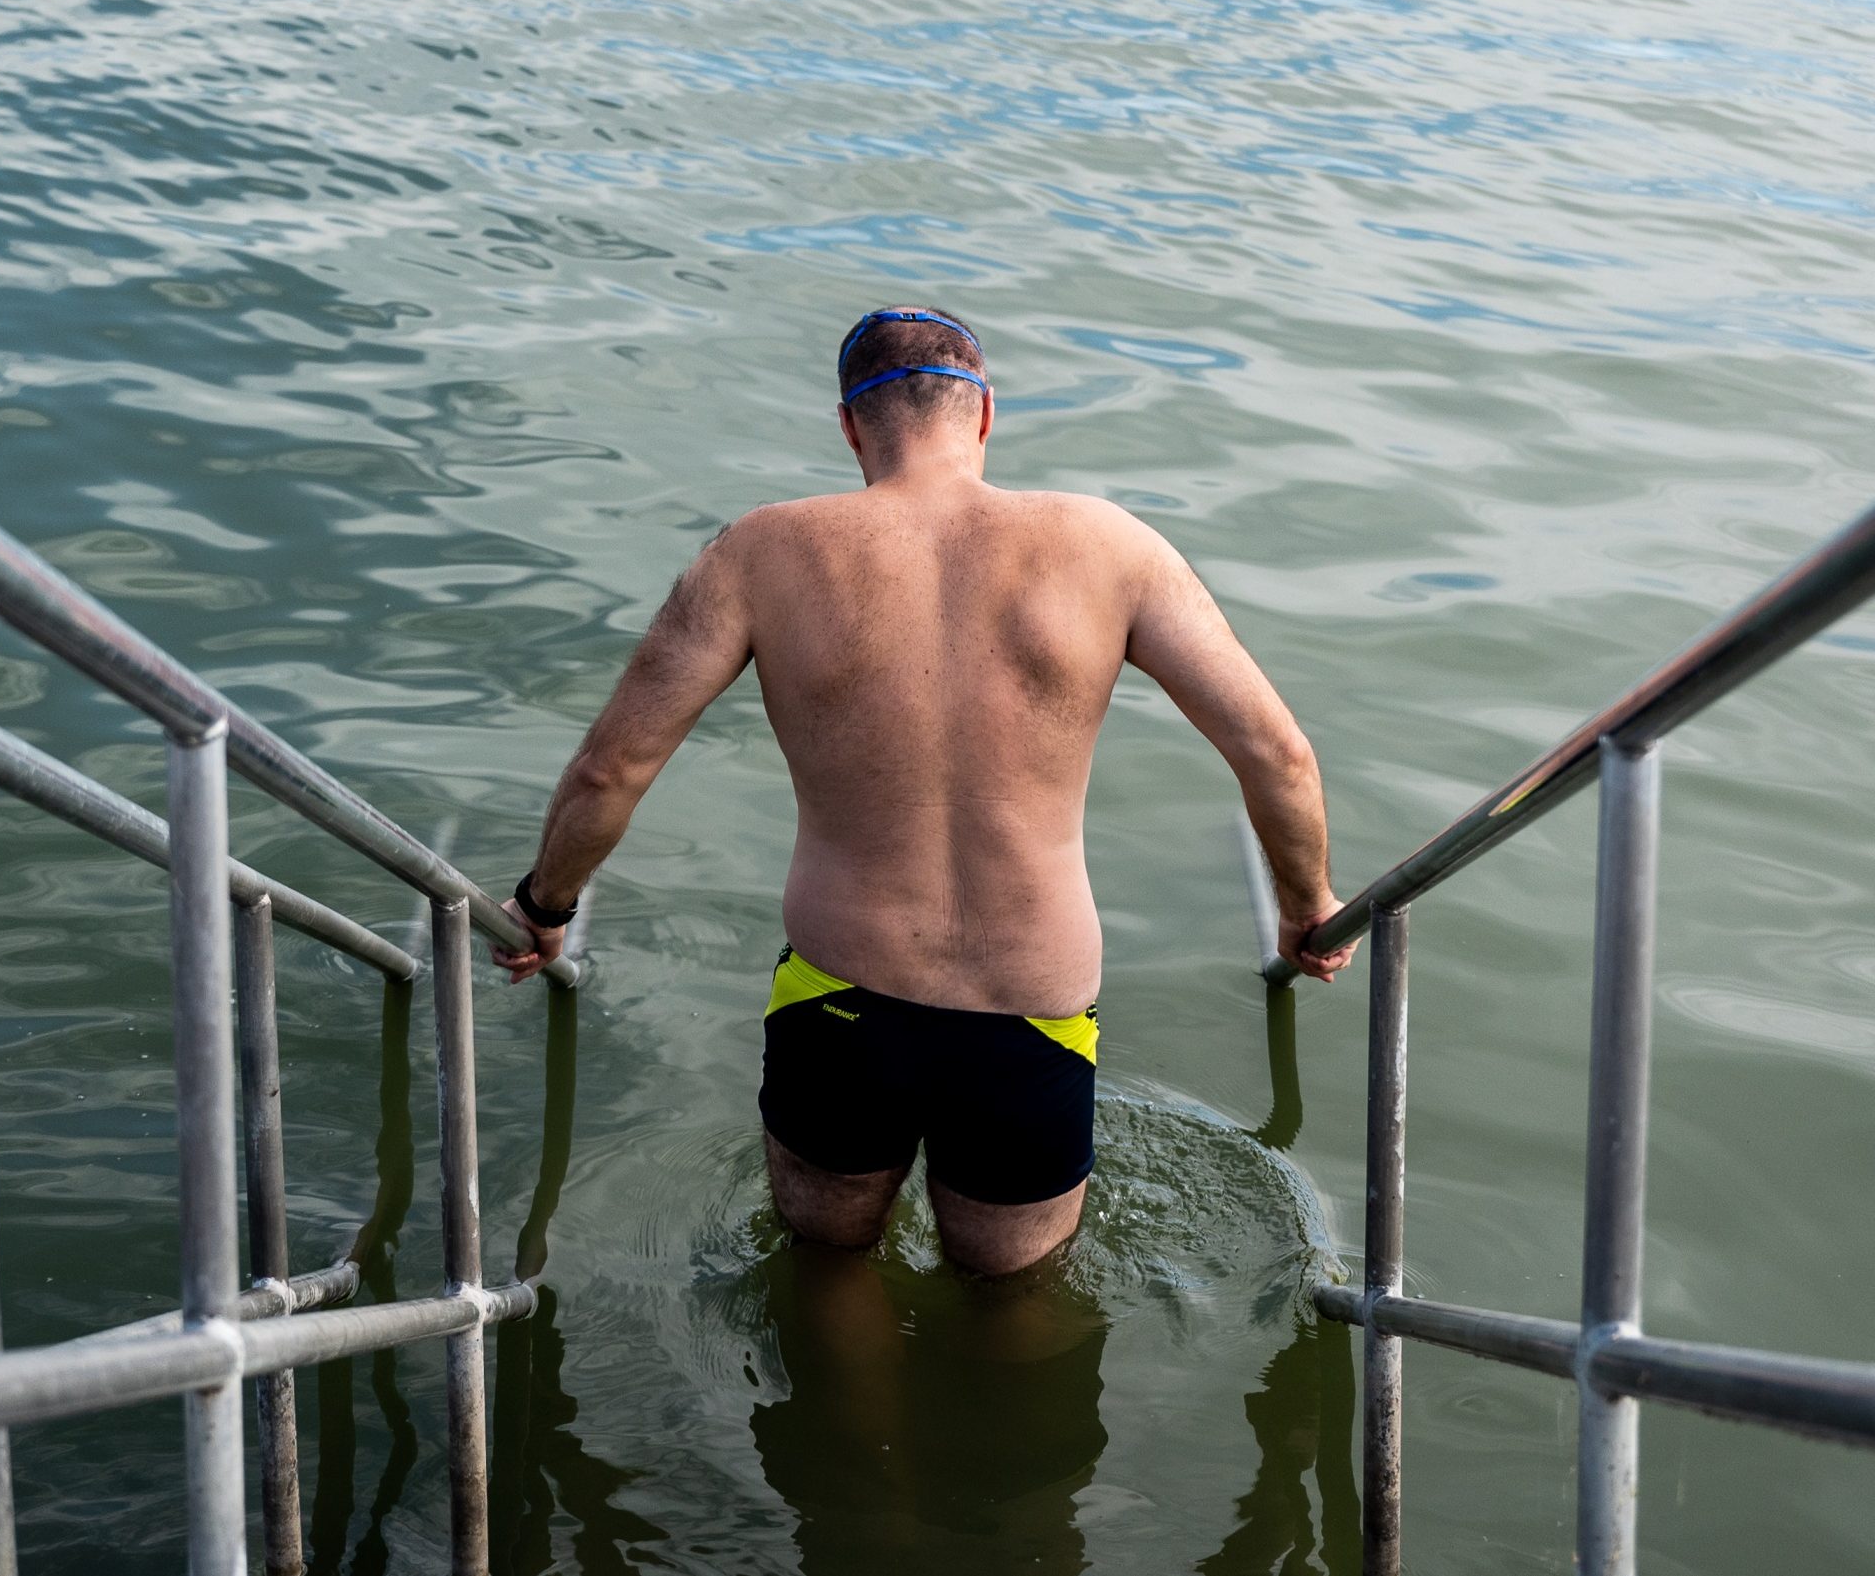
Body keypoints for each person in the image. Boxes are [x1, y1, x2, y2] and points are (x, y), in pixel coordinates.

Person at [492, 306, 1351, 1275]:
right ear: (983, 417)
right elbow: (1276, 754)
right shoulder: (1110, 545)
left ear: (851, 427)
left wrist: (543, 902)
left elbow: (613, 765)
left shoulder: (759, 552)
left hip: (838, 993)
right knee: (1017, 1300)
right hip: (1030, 1009)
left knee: (826, 1271)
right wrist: (1305, 901)